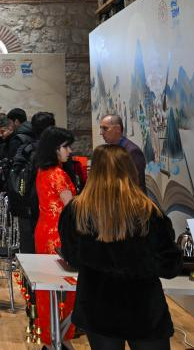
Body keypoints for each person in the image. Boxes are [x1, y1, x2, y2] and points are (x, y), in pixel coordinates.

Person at [59, 144, 181, 349]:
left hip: (97, 309)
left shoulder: (76, 212)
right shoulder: (149, 213)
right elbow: (169, 266)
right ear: (130, 171)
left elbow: (72, 257)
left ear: (94, 171)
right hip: (144, 312)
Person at [33, 127, 78, 345]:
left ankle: (51, 335)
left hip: (44, 231)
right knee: (68, 287)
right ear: (54, 149)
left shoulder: (42, 171)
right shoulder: (59, 174)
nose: (70, 151)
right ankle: (62, 336)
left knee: (46, 288)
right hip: (59, 235)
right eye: (65, 147)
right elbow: (72, 208)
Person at [12, 111, 56, 253]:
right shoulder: (56, 151)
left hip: (27, 205)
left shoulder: (26, 149)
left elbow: (16, 174)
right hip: (51, 206)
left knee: (29, 248)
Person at [99, 113, 145, 189]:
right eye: (101, 128)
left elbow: (136, 185)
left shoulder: (132, 151)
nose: (101, 133)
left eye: (105, 128)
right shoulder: (109, 149)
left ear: (117, 129)